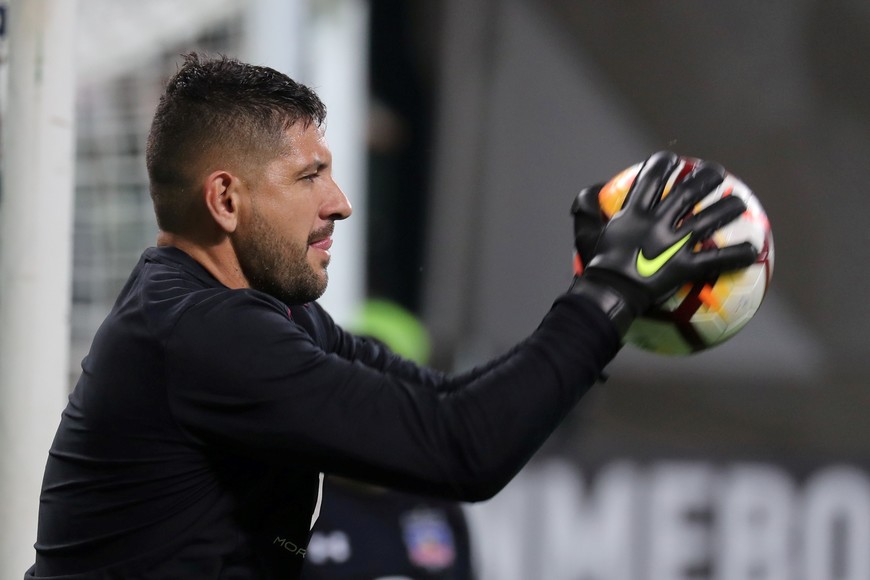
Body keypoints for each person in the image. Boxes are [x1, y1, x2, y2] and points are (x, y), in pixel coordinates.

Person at [26, 53, 756, 579]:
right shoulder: (202, 335)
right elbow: (460, 449)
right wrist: (609, 293)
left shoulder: (256, 315)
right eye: (309, 176)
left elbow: (448, 405)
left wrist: (605, 300)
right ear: (225, 200)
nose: (340, 201)